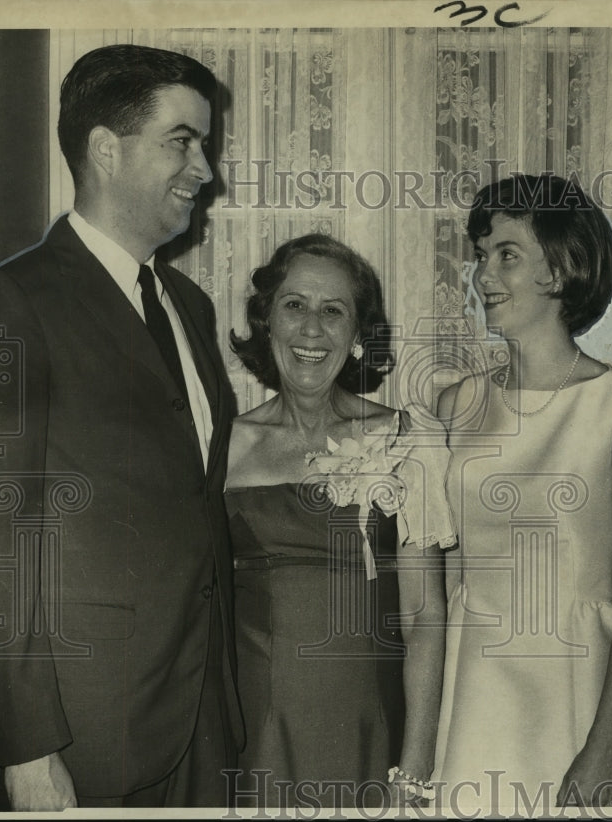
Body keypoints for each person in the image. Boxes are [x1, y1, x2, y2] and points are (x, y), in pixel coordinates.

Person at [0, 44, 242, 809]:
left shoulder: (189, 306)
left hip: (203, 719)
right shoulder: (10, 302)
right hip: (87, 731)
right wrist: (27, 749)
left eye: (206, 145)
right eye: (182, 142)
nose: (205, 170)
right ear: (105, 149)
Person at [432, 174, 612, 812]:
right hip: (476, 689)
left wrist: (606, 744)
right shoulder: (456, 404)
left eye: (507, 253)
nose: (483, 275)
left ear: (563, 269)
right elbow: (447, 576)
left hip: (580, 692)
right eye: (481, 255)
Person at [225, 233, 456, 808]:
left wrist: (417, 764)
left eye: (334, 311)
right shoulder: (221, 447)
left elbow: (425, 617)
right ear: (267, 322)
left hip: (372, 727)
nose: (311, 328)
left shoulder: (406, 439)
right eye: (294, 305)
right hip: (254, 729)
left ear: (357, 337)